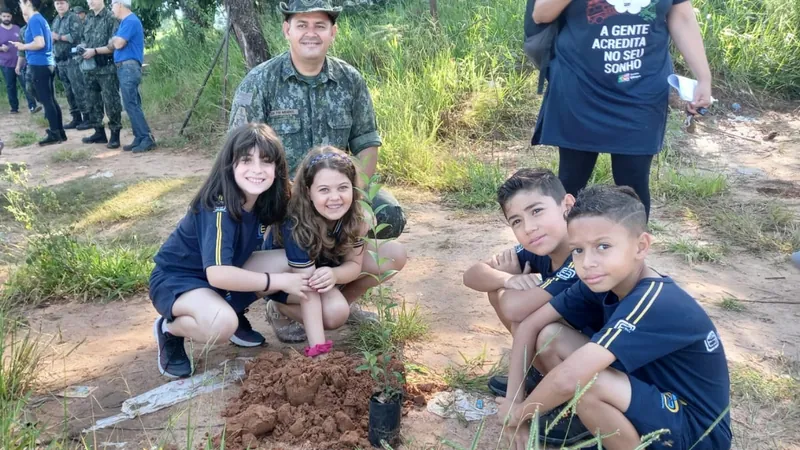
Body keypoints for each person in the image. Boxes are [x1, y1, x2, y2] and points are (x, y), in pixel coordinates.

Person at [497, 185, 731, 450]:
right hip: (647, 395)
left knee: (588, 384)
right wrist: (513, 399)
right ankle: (587, 424)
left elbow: (568, 377)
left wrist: (517, 415)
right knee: (552, 337)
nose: (587, 263)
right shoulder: (600, 282)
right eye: (578, 250)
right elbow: (529, 325)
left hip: (696, 431)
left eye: (603, 246)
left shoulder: (655, 300)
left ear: (641, 246)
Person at [228, 0, 408, 343]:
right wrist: (280, 197)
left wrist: (359, 197)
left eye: (320, 25)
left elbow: (367, 142)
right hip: (280, 200)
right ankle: (283, 304)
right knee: (279, 231)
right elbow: (239, 152)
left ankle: (340, 293)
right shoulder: (262, 80)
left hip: (335, 193)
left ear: (333, 32)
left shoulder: (348, 79)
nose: (311, 33)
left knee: (390, 215)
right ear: (287, 30)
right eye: (302, 24)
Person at [150, 123, 310, 378]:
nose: (257, 170)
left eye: (266, 162)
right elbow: (218, 275)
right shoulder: (218, 206)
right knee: (221, 325)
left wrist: (359, 215)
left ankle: (229, 307)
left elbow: (313, 200)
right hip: (179, 280)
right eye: (246, 160)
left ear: (277, 168)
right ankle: (170, 329)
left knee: (286, 260)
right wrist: (280, 282)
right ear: (230, 164)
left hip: (223, 274)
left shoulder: (266, 196)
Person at [530, 0, 713, 219]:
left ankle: (632, 251)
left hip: (642, 89)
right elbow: (541, 14)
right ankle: (565, 251)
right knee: (572, 180)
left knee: (633, 182)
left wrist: (703, 77)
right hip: (580, 86)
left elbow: (682, 17)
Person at [262, 147, 405, 356]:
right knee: (335, 314)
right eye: (324, 190)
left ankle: (342, 302)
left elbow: (354, 265)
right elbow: (307, 288)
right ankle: (279, 309)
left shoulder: (357, 215)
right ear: (308, 191)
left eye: (342, 187)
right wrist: (318, 350)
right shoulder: (295, 221)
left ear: (354, 188)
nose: (335, 197)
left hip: (323, 268)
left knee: (395, 254)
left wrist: (335, 274)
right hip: (292, 278)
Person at [13, 0, 65, 146]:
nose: (20, 5)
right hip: (47, 63)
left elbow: (39, 43)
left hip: (39, 64)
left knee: (46, 100)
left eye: (21, 3)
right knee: (51, 100)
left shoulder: (35, 20)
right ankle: (59, 132)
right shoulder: (40, 18)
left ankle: (55, 133)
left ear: (28, 3)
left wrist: (23, 45)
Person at [111, 0, 155, 152]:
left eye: (112, 4)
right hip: (127, 67)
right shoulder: (126, 21)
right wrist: (115, 39)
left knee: (131, 104)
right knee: (132, 103)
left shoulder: (130, 21)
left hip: (128, 67)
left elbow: (118, 44)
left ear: (120, 4)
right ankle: (139, 136)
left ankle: (146, 137)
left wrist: (114, 39)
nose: (112, 8)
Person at [80, 0, 122, 149]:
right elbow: (84, 39)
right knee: (92, 101)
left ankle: (115, 134)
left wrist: (95, 50)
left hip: (106, 67)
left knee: (111, 102)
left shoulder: (111, 17)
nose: (90, 2)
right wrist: (83, 47)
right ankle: (99, 132)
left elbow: (113, 45)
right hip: (90, 68)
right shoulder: (88, 18)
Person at [51, 0, 89, 130]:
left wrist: (58, 37)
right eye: (57, 3)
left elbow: (76, 36)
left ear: (67, 4)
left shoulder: (73, 17)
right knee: (68, 91)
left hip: (72, 59)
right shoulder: (56, 20)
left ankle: (87, 117)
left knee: (78, 89)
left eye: (62, 3)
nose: (60, 6)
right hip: (60, 61)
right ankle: (76, 117)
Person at [0, 9, 33, 114]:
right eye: (4, 16)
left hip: (21, 62)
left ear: (11, 17)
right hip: (6, 63)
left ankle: (32, 106)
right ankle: (14, 108)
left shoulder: (17, 28)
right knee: (10, 86)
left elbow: (24, 42)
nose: (6, 18)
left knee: (26, 84)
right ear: (1, 17)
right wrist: (1, 48)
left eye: (8, 16)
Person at [14, 24, 41, 113]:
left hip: (43, 62)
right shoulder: (22, 30)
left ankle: (48, 110)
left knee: (44, 87)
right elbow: (21, 51)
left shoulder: (41, 26)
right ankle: (40, 103)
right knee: (29, 87)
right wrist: (18, 65)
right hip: (29, 63)